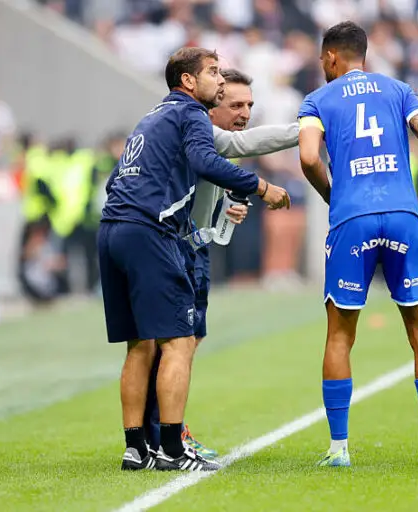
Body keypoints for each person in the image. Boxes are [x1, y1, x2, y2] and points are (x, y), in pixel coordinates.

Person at [98, 47, 290, 473]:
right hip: (151, 234)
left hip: (113, 229)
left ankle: (136, 448)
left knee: (139, 346)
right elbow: (208, 159)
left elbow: (118, 179)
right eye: (214, 73)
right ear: (188, 81)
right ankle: (170, 448)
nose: (220, 81)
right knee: (179, 343)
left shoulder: (151, 118)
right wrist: (262, 187)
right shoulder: (191, 115)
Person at [297, 21, 418, 468]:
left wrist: (335, 196)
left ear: (332, 56)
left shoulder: (317, 100)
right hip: (403, 217)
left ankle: (339, 450)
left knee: (339, 335)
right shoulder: (399, 89)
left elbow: (309, 156)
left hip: (352, 219)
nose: (323, 67)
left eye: (323, 60)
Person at [142, 68, 300, 460]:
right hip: (171, 249)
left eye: (249, 104)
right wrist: (304, 130)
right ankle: (165, 438)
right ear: (212, 106)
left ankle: (161, 435)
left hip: (194, 250)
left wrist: (223, 213)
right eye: (235, 104)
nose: (245, 112)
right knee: (170, 344)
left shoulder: (204, 143)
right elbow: (242, 142)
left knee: (184, 342)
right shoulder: (199, 129)